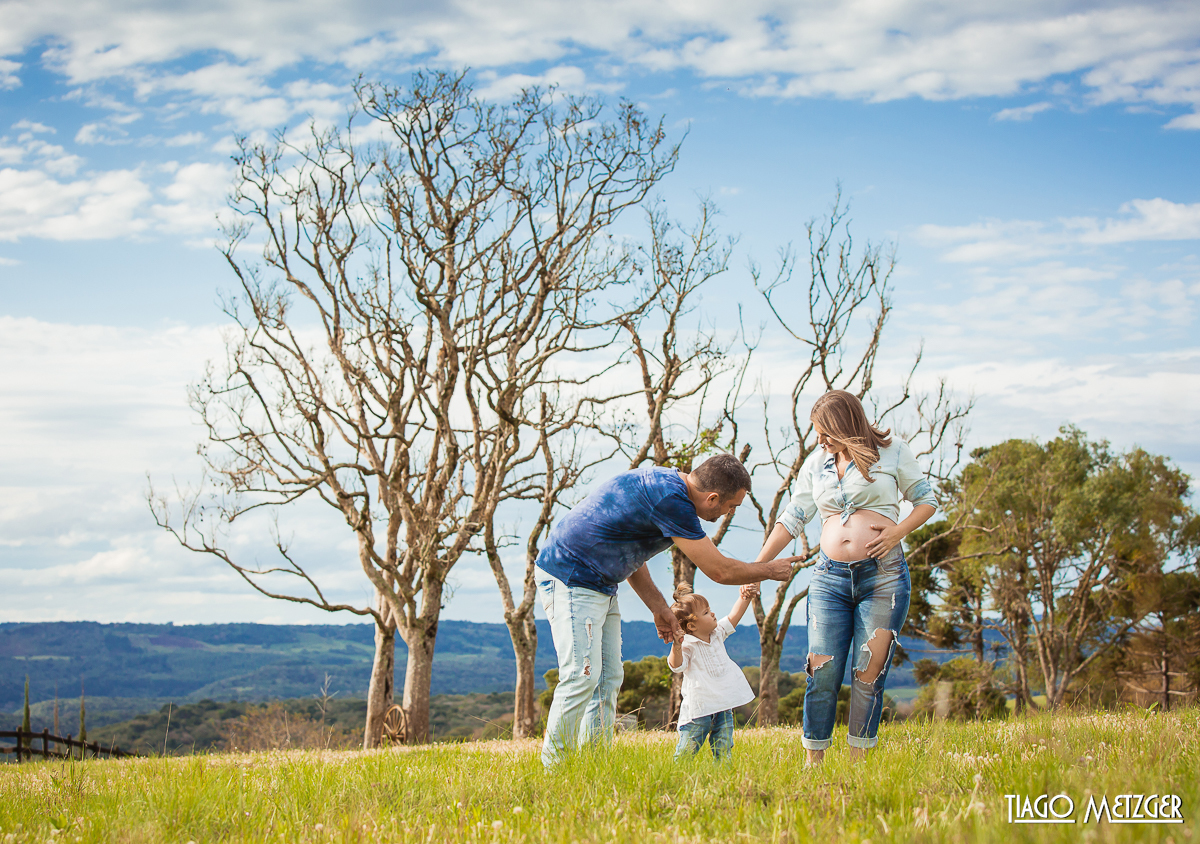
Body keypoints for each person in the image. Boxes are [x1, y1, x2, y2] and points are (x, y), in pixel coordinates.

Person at [535, 453, 802, 768]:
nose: (730, 513)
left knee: (608, 677)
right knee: (581, 675)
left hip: (600, 582)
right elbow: (719, 571)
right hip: (571, 576)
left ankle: (593, 763)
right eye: (731, 506)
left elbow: (629, 550)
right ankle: (555, 767)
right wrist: (768, 570)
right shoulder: (672, 501)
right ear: (713, 497)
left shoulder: (666, 483)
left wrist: (659, 606)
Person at [754, 390, 937, 764]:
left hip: (883, 578)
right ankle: (813, 762)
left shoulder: (893, 451)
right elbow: (792, 518)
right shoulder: (816, 463)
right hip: (828, 580)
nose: (820, 441)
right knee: (821, 670)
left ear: (846, 424)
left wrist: (897, 531)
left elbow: (926, 500)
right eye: (818, 434)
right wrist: (756, 567)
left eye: (826, 432)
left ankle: (858, 762)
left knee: (868, 672)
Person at [668, 582, 758, 761]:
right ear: (692, 626)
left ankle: (723, 774)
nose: (713, 613)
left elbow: (734, 616)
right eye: (706, 613)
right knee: (688, 748)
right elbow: (676, 666)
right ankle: (677, 774)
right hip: (699, 710)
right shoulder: (688, 645)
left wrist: (744, 597)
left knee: (724, 745)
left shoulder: (717, 633)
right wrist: (676, 646)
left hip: (723, 705)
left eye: (710, 609)